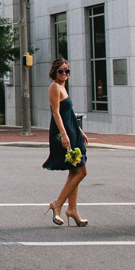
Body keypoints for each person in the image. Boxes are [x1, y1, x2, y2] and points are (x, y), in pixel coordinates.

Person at [42, 58, 89, 226]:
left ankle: (73, 210)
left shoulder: (62, 87)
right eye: (61, 71)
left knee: (74, 171)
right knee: (81, 171)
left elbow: (70, 112)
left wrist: (80, 131)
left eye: (67, 71)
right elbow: (56, 113)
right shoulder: (55, 87)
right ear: (54, 72)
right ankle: (58, 204)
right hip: (64, 132)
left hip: (72, 131)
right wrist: (63, 134)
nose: (64, 74)